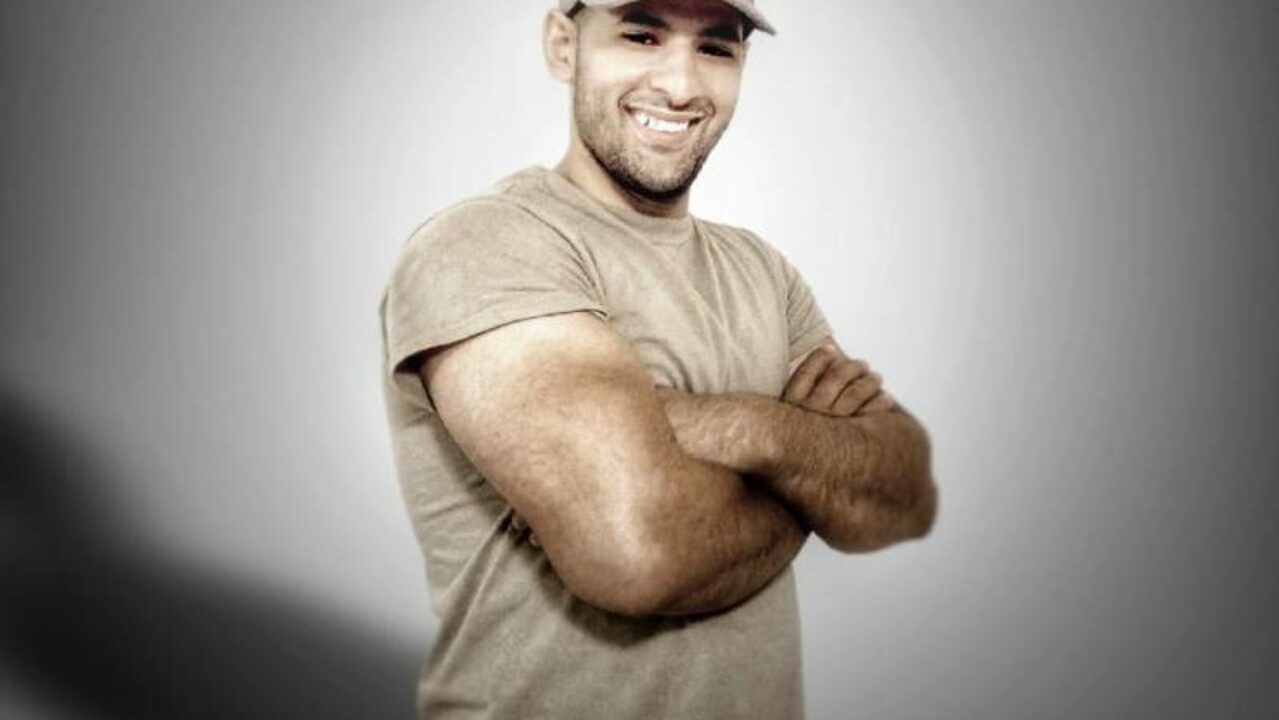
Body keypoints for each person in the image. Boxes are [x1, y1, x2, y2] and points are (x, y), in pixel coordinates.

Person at [379, 1, 937, 717]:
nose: (680, 86)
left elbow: (904, 494)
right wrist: (813, 473)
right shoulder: (485, 246)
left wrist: (752, 431)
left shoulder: (763, 271)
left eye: (715, 48)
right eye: (641, 35)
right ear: (563, 46)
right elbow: (640, 557)